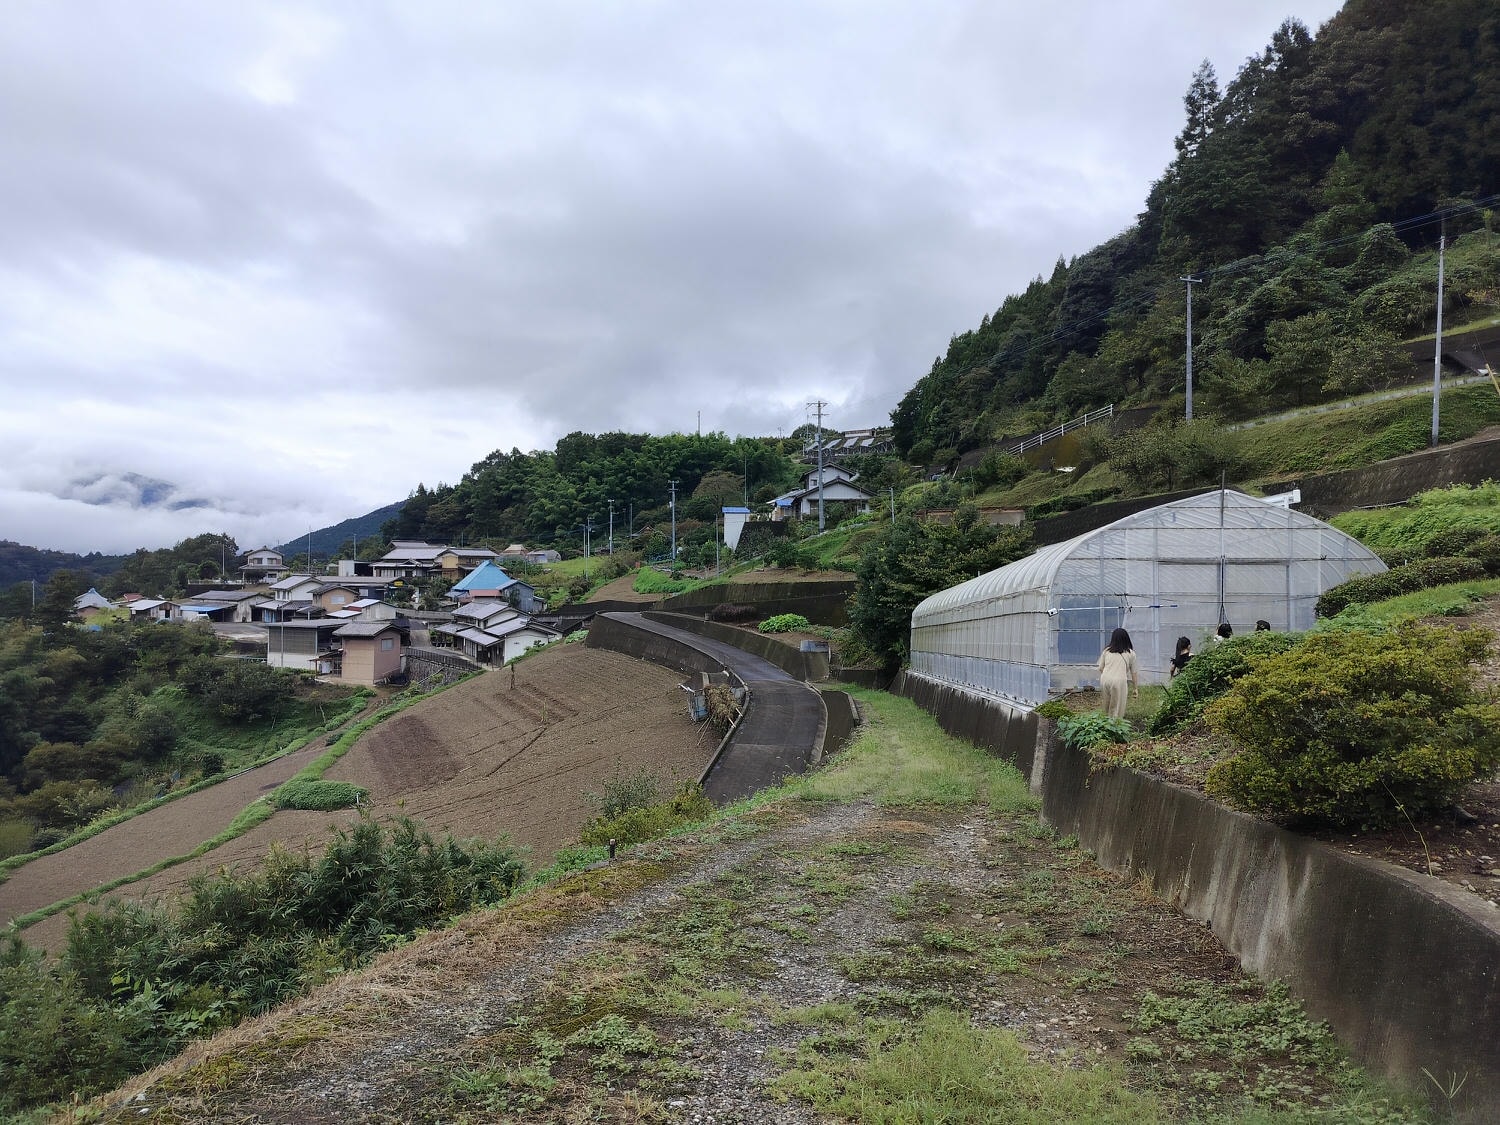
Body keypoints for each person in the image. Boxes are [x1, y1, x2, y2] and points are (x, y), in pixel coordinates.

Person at [1097, 627, 1139, 720]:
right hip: (1119, 681)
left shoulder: (1107, 651)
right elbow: (1134, 673)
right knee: (1117, 707)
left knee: (1106, 706)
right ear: (1126, 639)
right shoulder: (1131, 653)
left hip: (1104, 679)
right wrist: (1135, 688)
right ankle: (1115, 727)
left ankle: (1104, 725)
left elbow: (1100, 668)